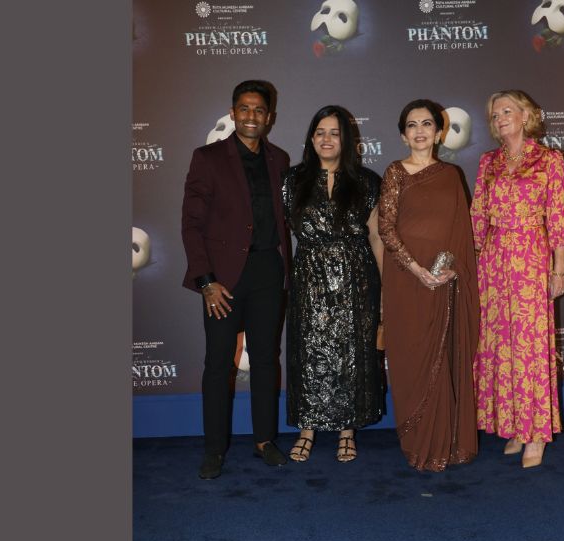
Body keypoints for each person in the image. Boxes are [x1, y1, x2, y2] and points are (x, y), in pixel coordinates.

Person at [181, 80, 291, 479]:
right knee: (218, 363)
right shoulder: (207, 157)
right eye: (244, 108)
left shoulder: (279, 159)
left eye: (259, 110)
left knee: (265, 359)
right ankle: (214, 449)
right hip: (223, 278)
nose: (251, 116)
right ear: (232, 113)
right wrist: (206, 281)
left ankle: (264, 440)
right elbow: (191, 224)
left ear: (269, 117)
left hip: (268, 271)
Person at [470, 89, 564, 469]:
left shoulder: (549, 159)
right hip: (493, 261)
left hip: (530, 257)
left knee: (530, 347)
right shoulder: (488, 161)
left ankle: (536, 432)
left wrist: (558, 269)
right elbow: (477, 215)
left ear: (526, 116)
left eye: (507, 111)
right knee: (501, 344)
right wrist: (472, 261)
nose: (500, 119)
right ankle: (514, 424)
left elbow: (557, 217)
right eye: (495, 115)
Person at [378, 99, 479, 472]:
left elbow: (462, 231)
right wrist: (416, 269)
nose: (419, 131)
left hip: (443, 278)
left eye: (426, 124)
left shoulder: (451, 175)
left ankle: (448, 442)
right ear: (403, 135)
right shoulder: (395, 172)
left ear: (438, 133)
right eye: (411, 125)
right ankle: (417, 440)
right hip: (406, 279)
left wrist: (450, 269)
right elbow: (386, 228)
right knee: (411, 356)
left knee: (443, 355)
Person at [281, 105, 384, 463]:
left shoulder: (367, 182)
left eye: (335, 133)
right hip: (309, 276)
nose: (327, 139)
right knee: (307, 351)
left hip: (357, 277)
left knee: (352, 352)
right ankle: (306, 430)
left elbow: (376, 237)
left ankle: (347, 431)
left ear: (347, 140)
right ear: (311, 138)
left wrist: (384, 291)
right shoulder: (291, 181)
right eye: (320, 132)